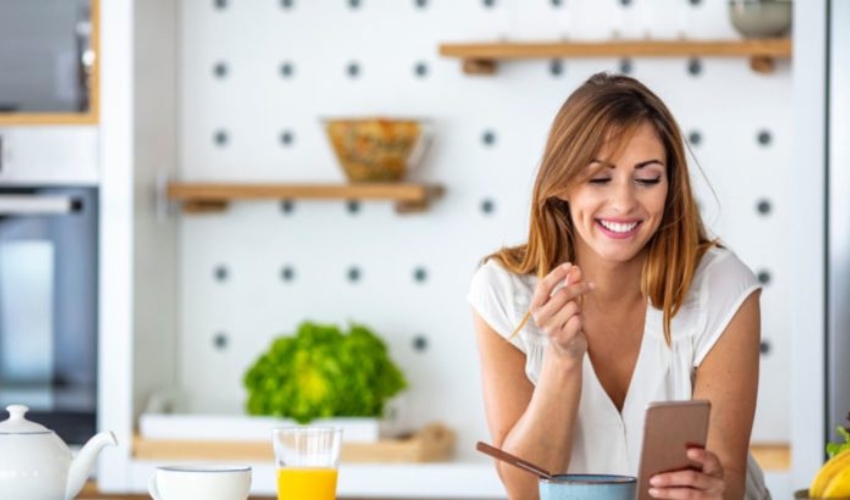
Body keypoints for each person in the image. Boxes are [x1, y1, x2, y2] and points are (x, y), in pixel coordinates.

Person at [467, 72, 769, 500]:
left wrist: (713, 489)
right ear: (562, 185)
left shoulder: (722, 286)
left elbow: (730, 478)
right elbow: (524, 488)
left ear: (671, 186)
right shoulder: (502, 290)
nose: (625, 202)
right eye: (598, 178)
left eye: (646, 179)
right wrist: (563, 359)